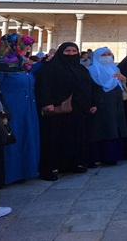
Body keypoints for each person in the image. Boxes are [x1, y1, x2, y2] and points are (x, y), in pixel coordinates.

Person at [34, 42, 99, 180]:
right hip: (58, 110)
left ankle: (70, 164)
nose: (71, 54)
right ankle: (48, 169)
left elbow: (89, 86)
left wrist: (92, 103)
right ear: (60, 52)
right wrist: (47, 103)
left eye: (74, 51)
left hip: (78, 110)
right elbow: (43, 86)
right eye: (67, 51)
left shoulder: (81, 69)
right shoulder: (50, 68)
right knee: (54, 139)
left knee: (73, 138)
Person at [0, 33, 40, 185]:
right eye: (24, 46)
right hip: (12, 108)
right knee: (12, 138)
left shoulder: (22, 63)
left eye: (29, 46)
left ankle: (26, 170)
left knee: (26, 136)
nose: (27, 49)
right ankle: (11, 173)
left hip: (27, 107)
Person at [87, 48, 127, 165]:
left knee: (114, 127)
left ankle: (112, 156)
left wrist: (123, 79)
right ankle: (98, 156)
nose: (106, 56)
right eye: (103, 55)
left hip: (115, 102)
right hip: (100, 103)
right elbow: (89, 89)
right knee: (101, 129)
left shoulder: (115, 68)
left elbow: (119, 84)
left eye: (108, 54)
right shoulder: (91, 70)